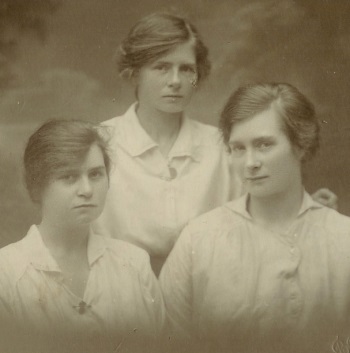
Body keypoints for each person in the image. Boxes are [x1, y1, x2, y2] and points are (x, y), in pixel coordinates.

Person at [93, 12, 337, 275]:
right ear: (134, 74)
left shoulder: (226, 147)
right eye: (161, 67)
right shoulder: (97, 146)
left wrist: (309, 213)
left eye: (186, 69)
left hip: (211, 294)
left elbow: (262, 219)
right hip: (119, 297)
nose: (175, 81)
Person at [159, 83, 350, 353]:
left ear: (301, 145)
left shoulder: (343, 239)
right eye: (238, 148)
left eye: (264, 145)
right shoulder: (199, 239)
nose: (250, 162)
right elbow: (166, 340)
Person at [0, 120, 164, 353]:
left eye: (96, 174)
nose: (87, 189)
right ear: (38, 185)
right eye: (69, 177)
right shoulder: (6, 274)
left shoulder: (134, 265)